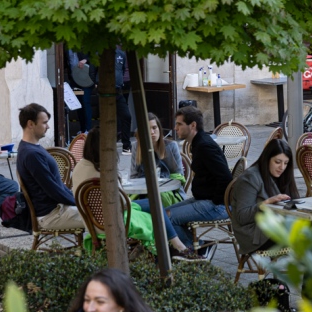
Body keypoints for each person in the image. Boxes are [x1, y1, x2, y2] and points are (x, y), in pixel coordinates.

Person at [71, 127, 188, 256]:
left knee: (153, 203)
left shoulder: (80, 167)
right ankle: (176, 247)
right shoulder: (104, 172)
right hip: (113, 221)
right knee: (155, 212)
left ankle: (175, 245)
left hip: (92, 222)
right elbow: (123, 203)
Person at [166, 106, 233, 260]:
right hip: (204, 199)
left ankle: (197, 250)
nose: (175, 128)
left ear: (193, 125)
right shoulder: (197, 143)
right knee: (164, 213)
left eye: (179, 124)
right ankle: (201, 245)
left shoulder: (204, 146)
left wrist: (215, 201)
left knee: (166, 218)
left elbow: (226, 177)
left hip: (216, 205)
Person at [16, 103, 85, 230]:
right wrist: (81, 203)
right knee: (106, 216)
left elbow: (56, 186)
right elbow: (52, 189)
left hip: (56, 210)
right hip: (51, 215)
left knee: (107, 211)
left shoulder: (31, 148)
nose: (47, 126)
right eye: (44, 123)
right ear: (30, 124)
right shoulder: (31, 154)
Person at [230, 138, 299, 255]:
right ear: (267, 159)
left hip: (274, 227)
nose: (282, 167)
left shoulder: (283, 175)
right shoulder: (250, 178)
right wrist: (265, 204)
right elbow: (242, 217)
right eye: (277, 162)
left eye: (286, 163)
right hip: (254, 235)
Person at [130, 112, 185, 200]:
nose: (152, 132)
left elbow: (179, 176)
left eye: (154, 128)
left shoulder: (171, 146)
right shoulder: (136, 146)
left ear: (159, 128)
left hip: (170, 193)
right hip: (143, 192)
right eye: (148, 129)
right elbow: (133, 176)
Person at [114, 46, 132, 155]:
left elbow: (122, 69)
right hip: (105, 91)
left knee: (126, 116)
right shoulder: (99, 53)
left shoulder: (121, 54)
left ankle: (126, 145)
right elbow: (92, 71)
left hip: (119, 89)